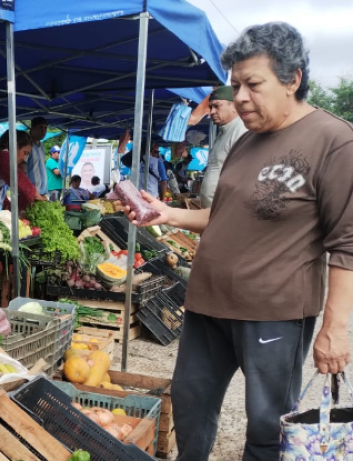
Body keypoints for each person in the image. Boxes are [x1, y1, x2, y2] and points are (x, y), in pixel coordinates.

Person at [123, 22, 353, 461]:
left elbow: (347, 243)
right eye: (234, 85)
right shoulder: (247, 141)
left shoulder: (334, 141)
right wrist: (169, 214)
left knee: (266, 425)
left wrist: (334, 330)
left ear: (293, 79)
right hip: (208, 304)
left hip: (273, 312)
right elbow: (224, 216)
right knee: (190, 407)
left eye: (253, 84)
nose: (240, 97)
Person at [201, 85, 248, 208]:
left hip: (227, 210)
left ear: (233, 106)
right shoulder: (223, 131)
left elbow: (243, 177)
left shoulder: (241, 130)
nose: (212, 112)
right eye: (211, 107)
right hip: (215, 211)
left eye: (217, 106)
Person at [26, 117, 49, 196]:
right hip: (31, 192)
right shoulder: (26, 145)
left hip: (43, 192)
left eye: (45, 128)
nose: (43, 130)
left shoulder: (41, 146)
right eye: (40, 127)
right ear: (32, 129)